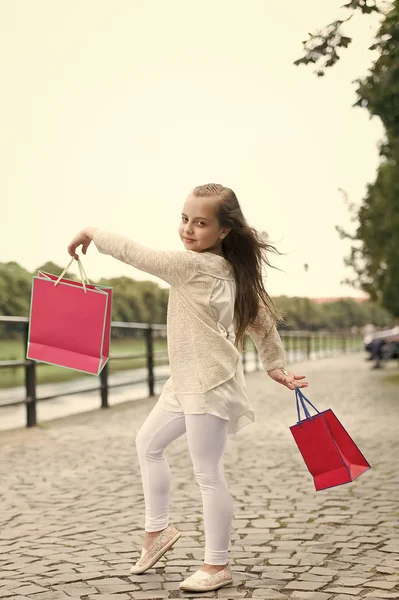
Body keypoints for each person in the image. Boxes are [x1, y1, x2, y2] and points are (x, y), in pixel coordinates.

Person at [67, 183, 308, 593]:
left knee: (208, 474)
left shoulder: (191, 267)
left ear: (224, 231)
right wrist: (275, 366)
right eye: (184, 219)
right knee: (148, 444)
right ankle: (156, 534)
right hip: (187, 381)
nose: (189, 230)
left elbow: (135, 254)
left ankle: (217, 565)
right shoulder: (232, 270)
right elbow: (262, 321)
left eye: (201, 223)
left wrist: (91, 231)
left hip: (209, 383)